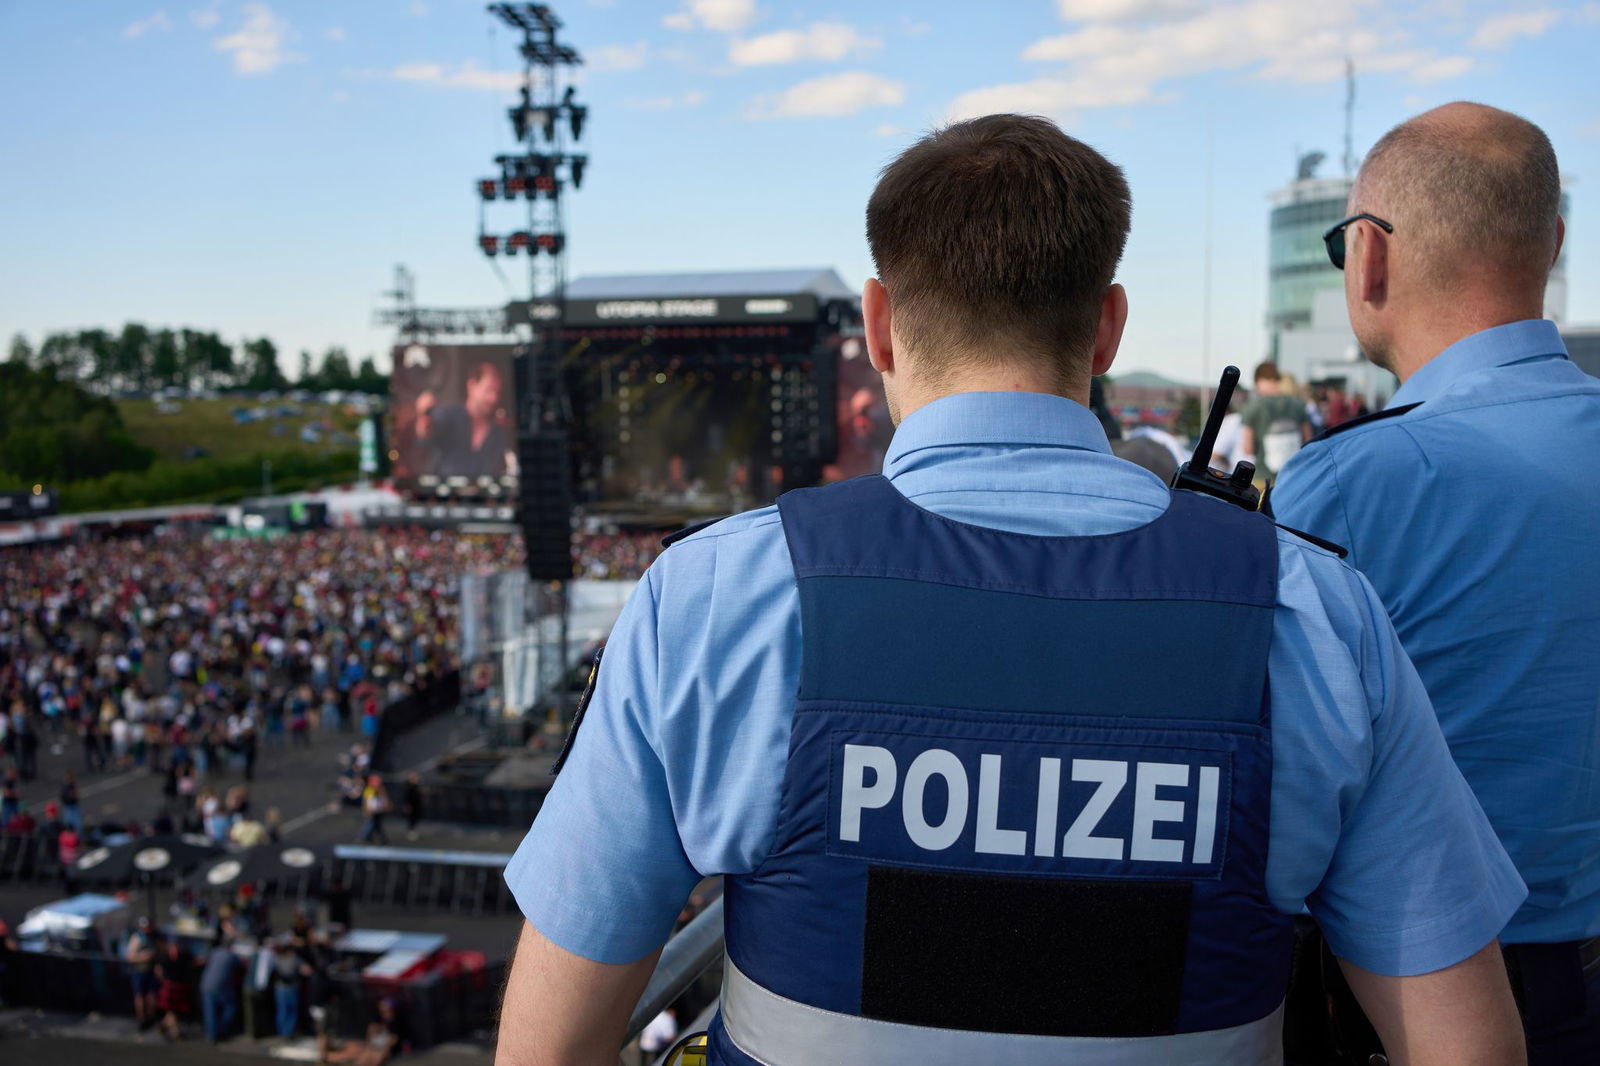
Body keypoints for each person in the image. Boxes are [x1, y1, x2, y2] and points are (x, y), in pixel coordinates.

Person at [495, 114, 1528, 1065]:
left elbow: (549, 1045)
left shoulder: (712, 599)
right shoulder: (1316, 616)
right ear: (1107, 328)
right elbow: (1469, 1047)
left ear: (879, 326)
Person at [1272, 102, 1600, 1064]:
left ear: (1368, 256)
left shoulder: (1351, 480)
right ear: (1553, 246)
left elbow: (1273, 768)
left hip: (1427, 1004)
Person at [414, 360, 511, 478]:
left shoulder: (500, 431)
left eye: (497, 392)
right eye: (489, 390)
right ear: (472, 386)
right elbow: (425, 435)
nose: (494, 398)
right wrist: (422, 415)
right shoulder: (448, 416)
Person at [1237, 362, 1311, 482]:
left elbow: (1248, 448)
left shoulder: (1252, 406)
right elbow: (1308, 440)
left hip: (1263, 478)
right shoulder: (1298, 404)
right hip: (1293, 477)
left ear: (1260, 380)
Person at [125, 916, 160, 1030]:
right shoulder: (137, 937)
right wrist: (143, 957)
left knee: (152, 996)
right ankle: (142, 1019)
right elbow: (130, 957)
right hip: (139, 971)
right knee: (140, 996)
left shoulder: (154, 937)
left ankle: (152, 1017)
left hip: (151, 971)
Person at [360, 775, 390, 845]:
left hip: (379, 810)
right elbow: (366, 801)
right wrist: (366, 809)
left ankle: (371, 837)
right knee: (373, 824)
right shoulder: (369, 790)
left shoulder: (381, 790)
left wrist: (386, 806)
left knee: (376, 824)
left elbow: (385, 799)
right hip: (372, 810)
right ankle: (369, 837)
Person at [400, 771, 423, 841]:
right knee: (411, 819)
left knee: (415, 818)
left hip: (417, 805)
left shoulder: (417, 786)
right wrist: (406, 805)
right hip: (411, 805)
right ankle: (410, 831)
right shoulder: (408, 786)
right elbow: (406, 796)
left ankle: (412, 830)